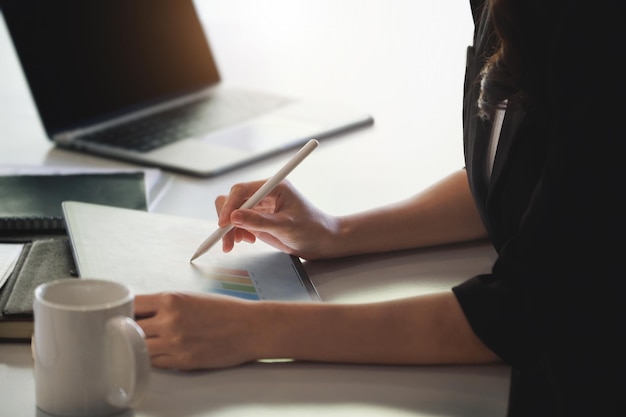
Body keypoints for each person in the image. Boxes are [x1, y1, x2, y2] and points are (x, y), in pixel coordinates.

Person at [135, 0, 626, 415]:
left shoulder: (599, 28)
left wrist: (250, 330)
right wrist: (338, 231)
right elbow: (522, 184)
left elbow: (526, 311)